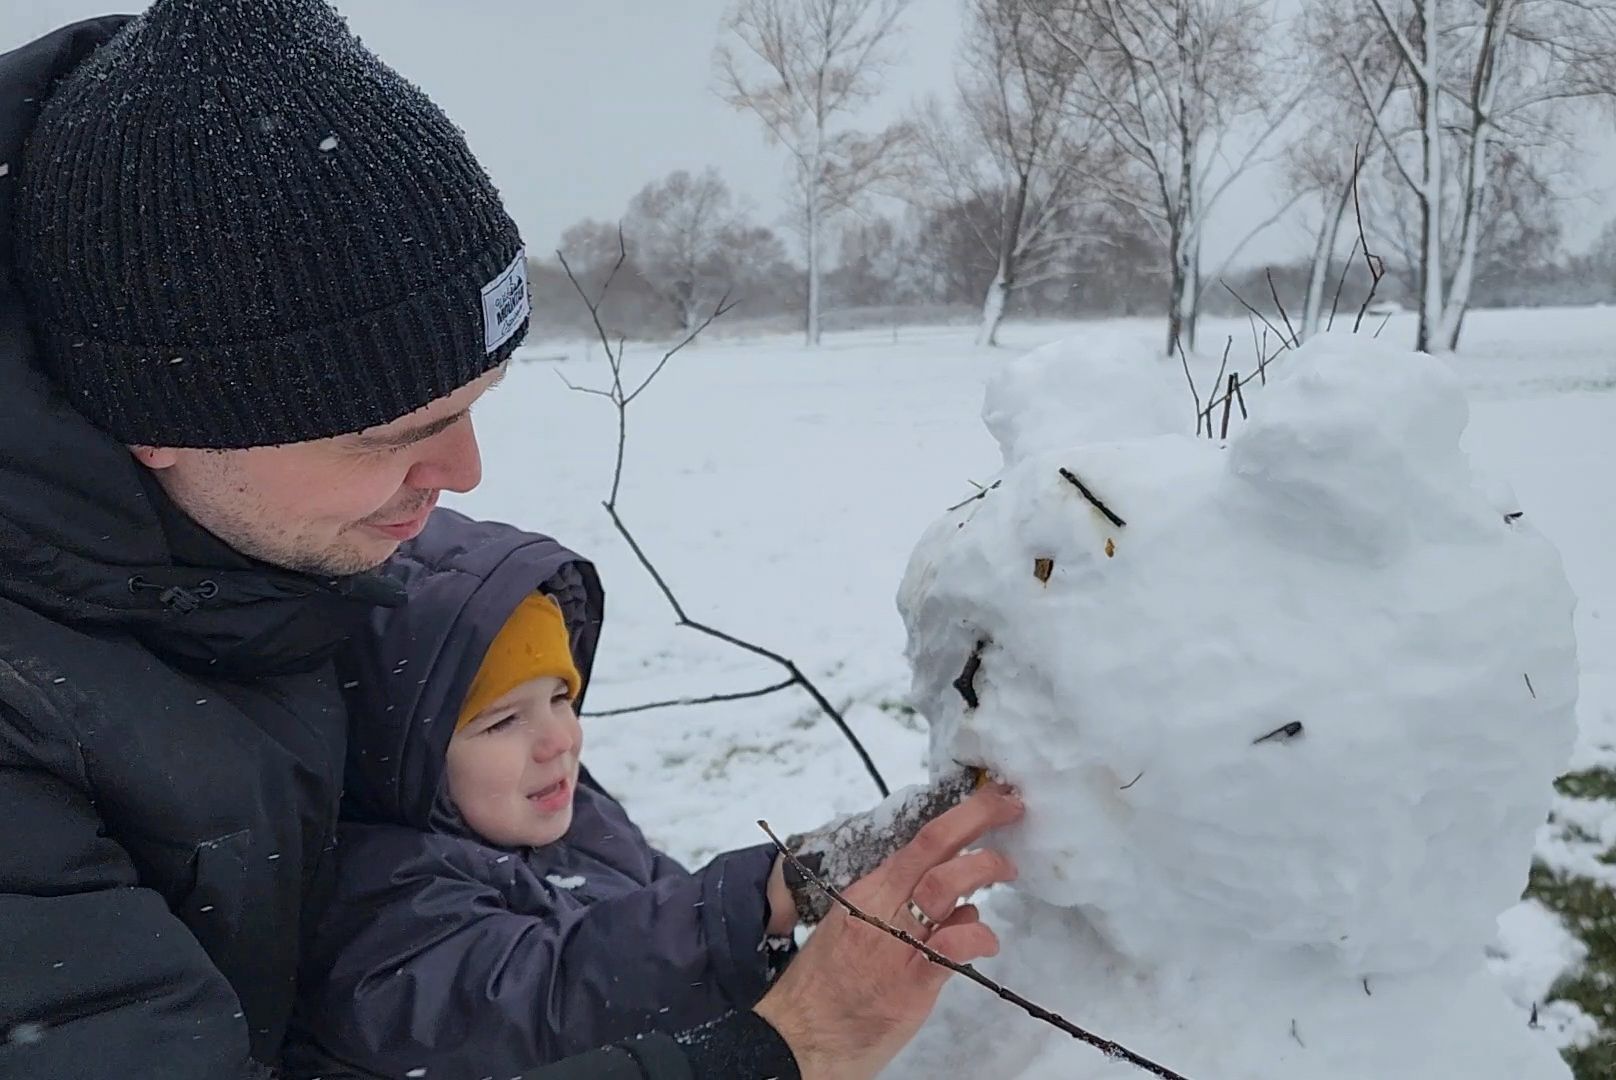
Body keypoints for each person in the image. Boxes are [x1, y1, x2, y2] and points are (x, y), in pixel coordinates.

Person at [0, 4, 1019, 1078]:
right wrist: (789, 1049)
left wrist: (771, 889)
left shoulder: (261, 556)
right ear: (164, 421)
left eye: (475, 402)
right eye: (394, 434)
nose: (465, 473)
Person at [288, 510, 808, 1076]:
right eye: (503, 721)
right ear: (390, 754)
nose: (560, 739)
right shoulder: (379, 912)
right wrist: (746, 908)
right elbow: (546, 1002)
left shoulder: (573, 815)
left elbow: (655, 908)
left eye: (561, 696)